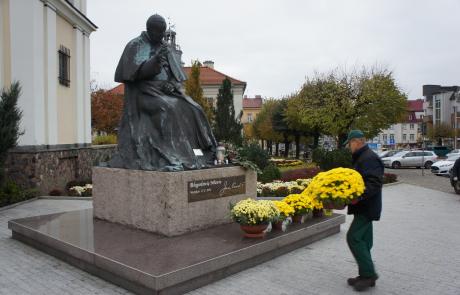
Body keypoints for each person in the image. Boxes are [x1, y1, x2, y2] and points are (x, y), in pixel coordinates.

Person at [109, 14, 217, 171]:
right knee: (169, 108)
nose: (161, 36)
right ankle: (176, 156)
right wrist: (155, 61)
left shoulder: (164, 46)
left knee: (194, 108)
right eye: (158, 33)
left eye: (163, 32)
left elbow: (176, 76)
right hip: (143, 94)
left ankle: (202, 153)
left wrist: (172, 85)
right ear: (149, 30)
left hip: (166, 92)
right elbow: (131, 75)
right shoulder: (135, 45)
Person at [344, 130, 384, 291]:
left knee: (353, 238)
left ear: (356, 142)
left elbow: (374, 183)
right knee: (365, 241)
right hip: (365, 207)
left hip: (366, 207)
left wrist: (358, 197)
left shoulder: (368, 158)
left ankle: (369, 275)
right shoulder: (363, 157)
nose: (348, 147)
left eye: (349, 143)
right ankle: (365, 275)